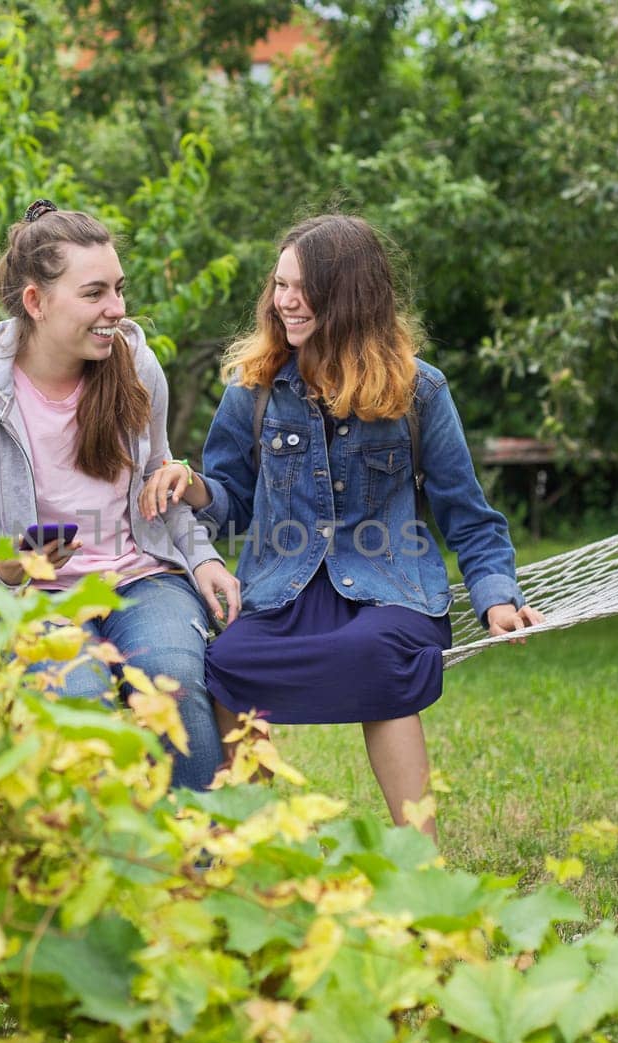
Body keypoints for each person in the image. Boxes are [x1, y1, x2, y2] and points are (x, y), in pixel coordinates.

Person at [140, 213, 542, 836]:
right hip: (282, 593)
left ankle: (419, 865)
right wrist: (192, 487)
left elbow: (470, 515)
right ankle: (247, 854)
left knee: (377, 656)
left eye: (304, 288)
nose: (286, 301)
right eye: (280, 285)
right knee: (228, 665)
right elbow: (232, 501)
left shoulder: (419, 391)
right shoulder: (254, 392)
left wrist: (495, 597)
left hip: (390, 589)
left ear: (351, 295)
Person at [0, 200, 240, 791]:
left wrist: (203, 560)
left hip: (142, 580)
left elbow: (160, 489)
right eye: (95, 293)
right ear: (36, 302)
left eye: (119, 290)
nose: (116, 311)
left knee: (172, 678)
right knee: (80, 697)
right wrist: (14, 560)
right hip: (33, 601)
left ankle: (199, 863)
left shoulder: (137, 368)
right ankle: (104, 859)